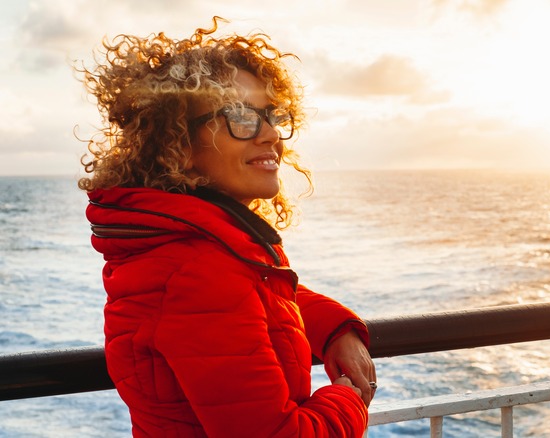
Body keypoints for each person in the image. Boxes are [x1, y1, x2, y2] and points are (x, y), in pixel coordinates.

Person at [77, 17, 376, 437]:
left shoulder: (192, 248)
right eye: (241, 117)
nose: (271, 133)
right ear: (178, 144)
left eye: (272, 115)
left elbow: (258, 296)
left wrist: (335, 329)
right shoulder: (198, 270)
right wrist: (347, 397)